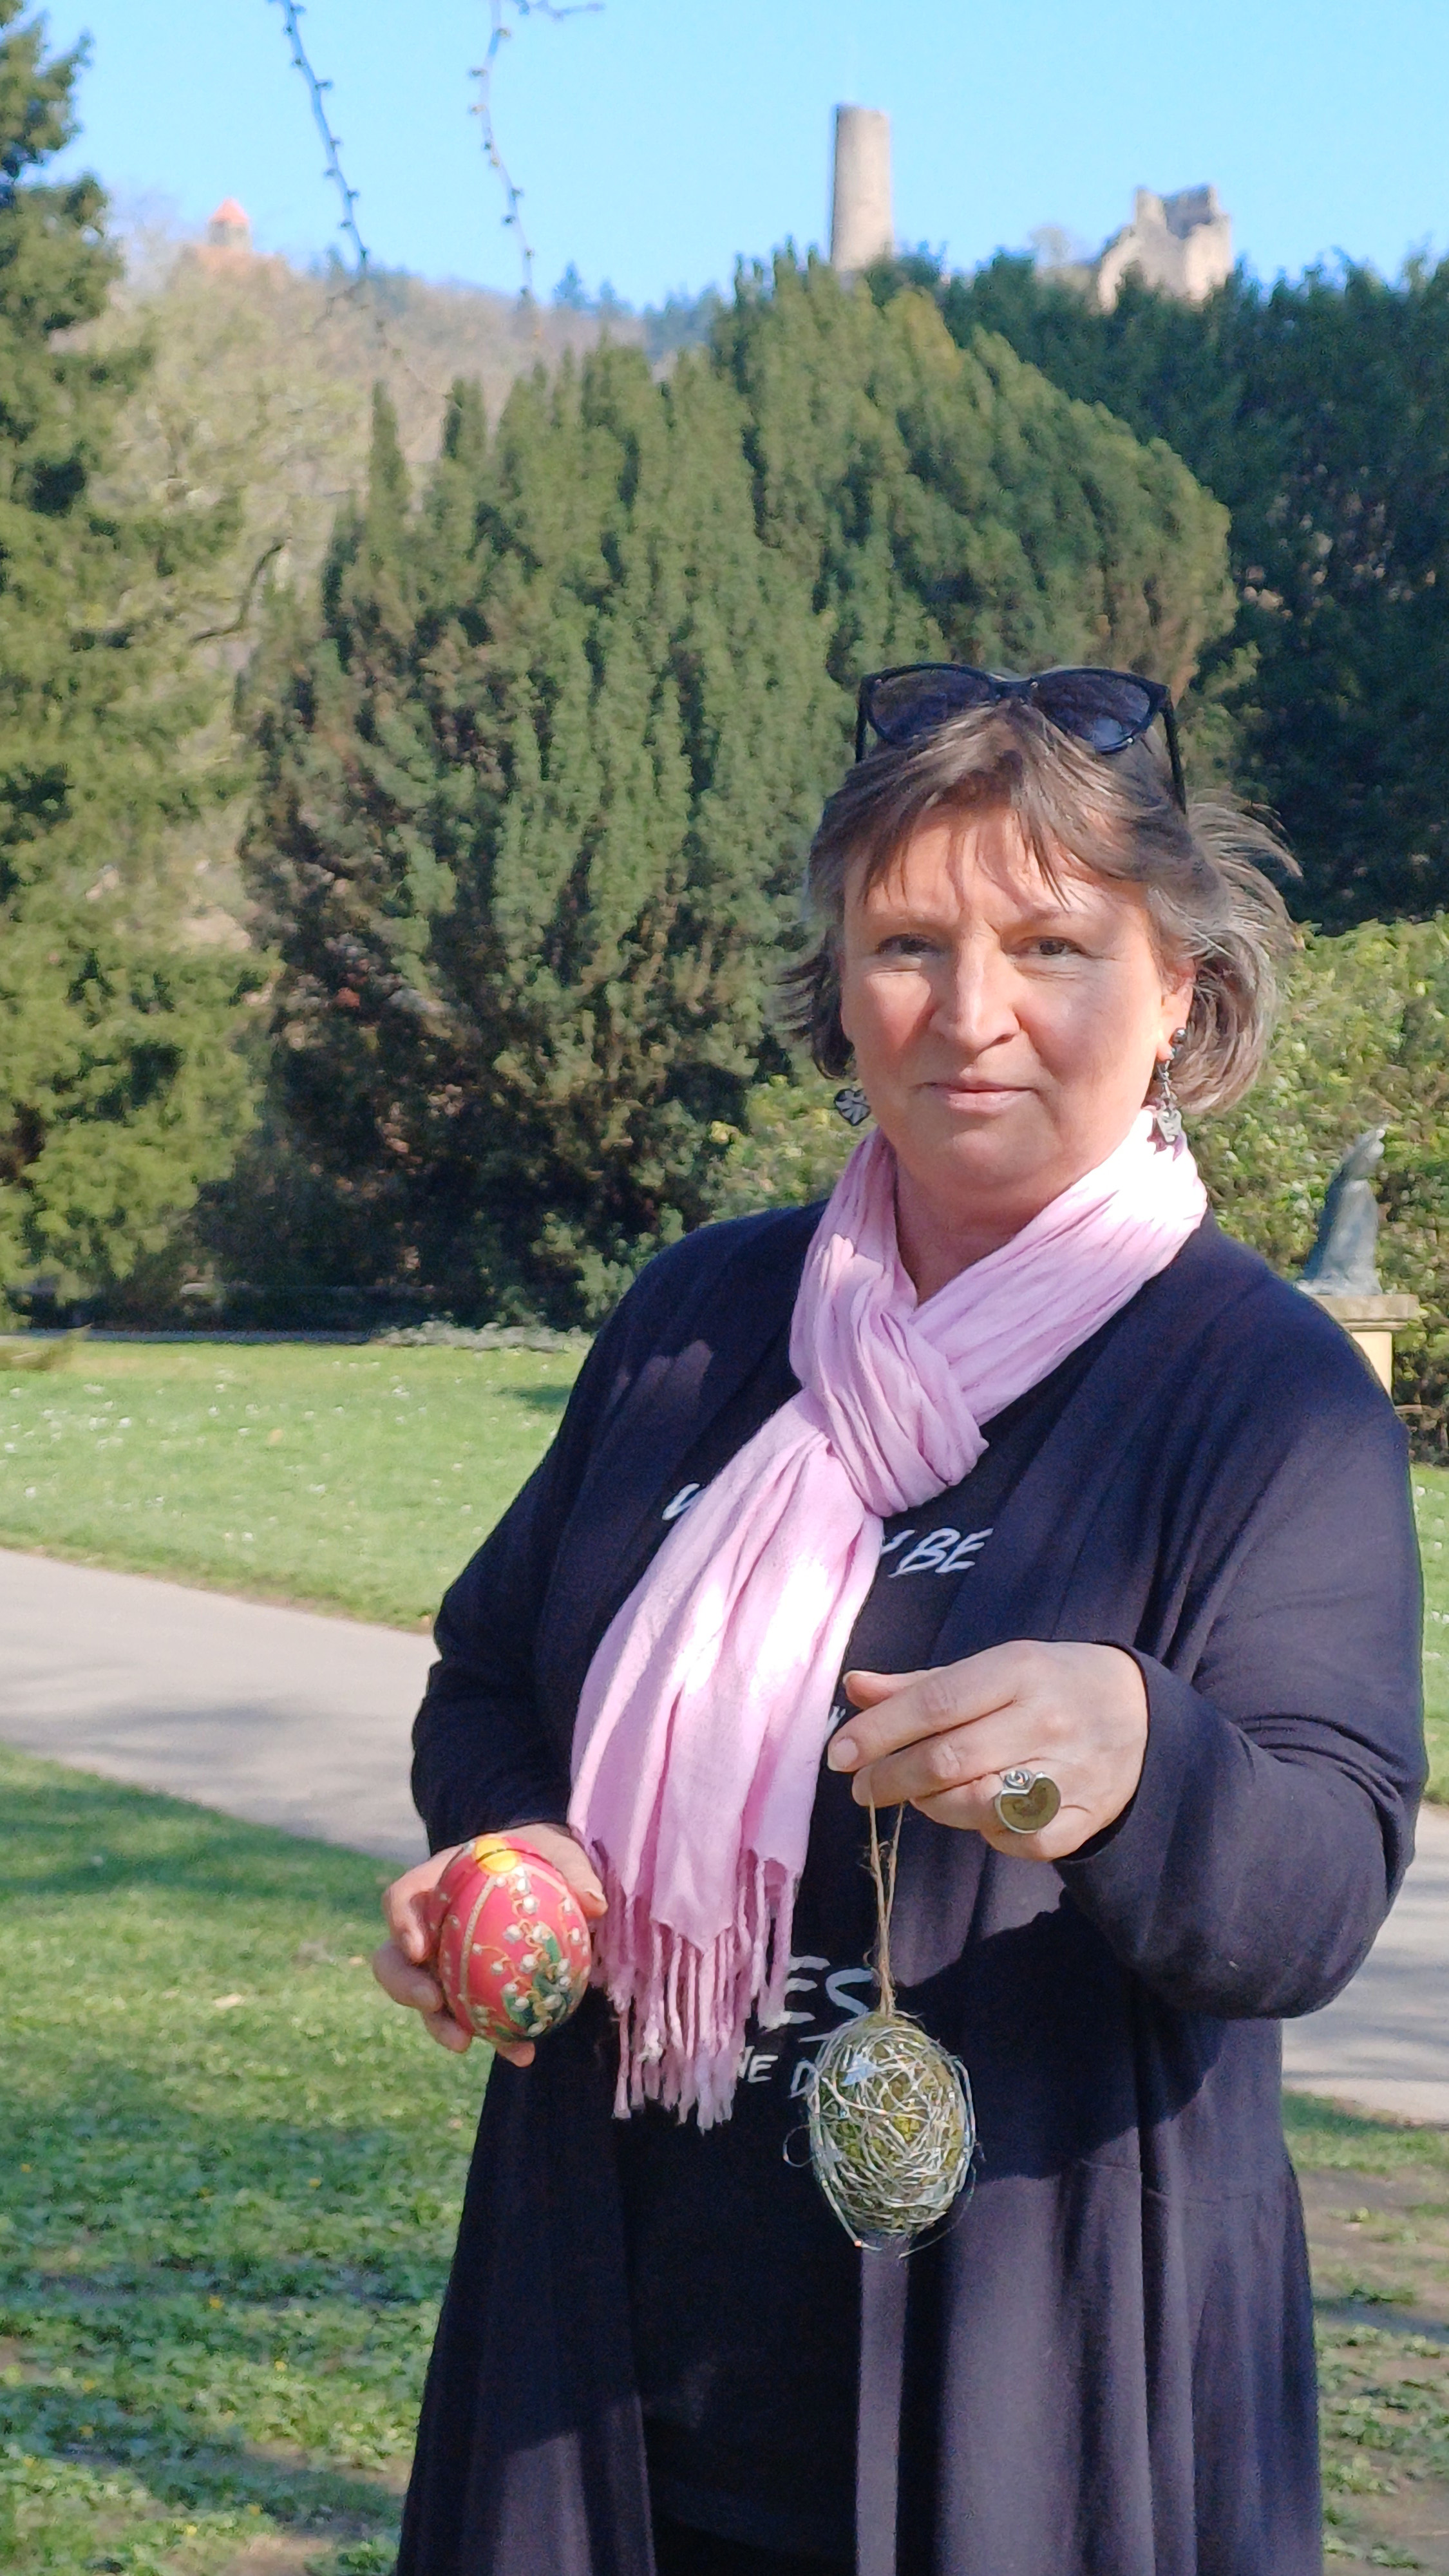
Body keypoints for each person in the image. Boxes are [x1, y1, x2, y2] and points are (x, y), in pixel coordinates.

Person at [374, 664, 1423, 2576]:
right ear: (839, 982)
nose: (970, 1013)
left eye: (1052, 946)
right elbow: (490, 1675)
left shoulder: (1259, 1389)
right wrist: (516, 1845)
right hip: (613, 2370)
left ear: (1177, 992)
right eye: (907, 944)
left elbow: (1313, 1890)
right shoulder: (701, 1323)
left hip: (1033, 2389)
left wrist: (1143, 1762)